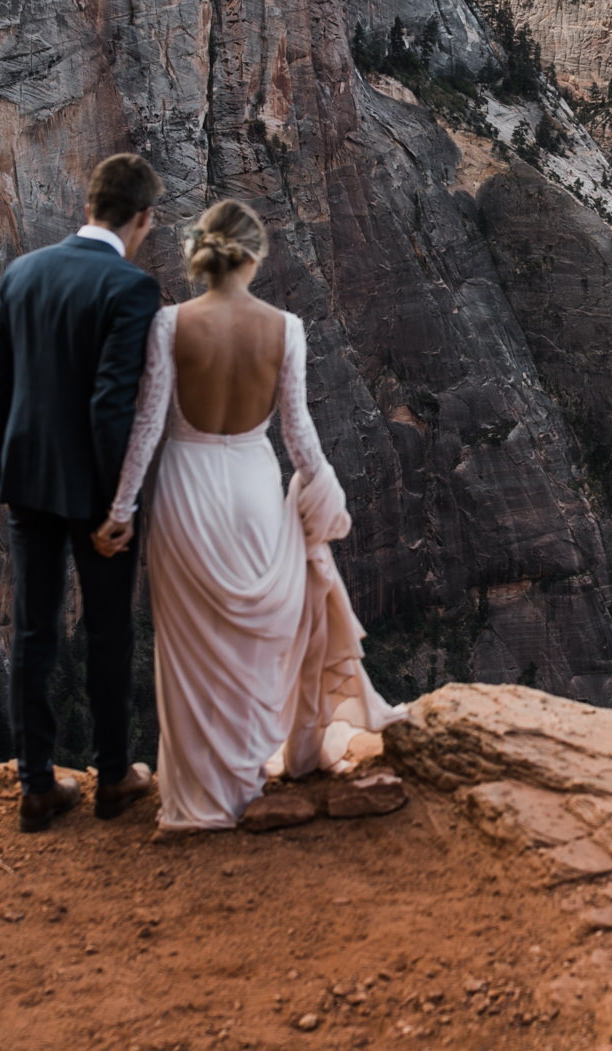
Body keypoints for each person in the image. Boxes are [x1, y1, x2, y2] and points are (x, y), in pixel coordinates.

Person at [101, 198, 405, 831]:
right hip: (253, 486)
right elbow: (299, 435)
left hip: (185, 490)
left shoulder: (169, 325)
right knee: (256, 642)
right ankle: (254, 766)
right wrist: (324, 497)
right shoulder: (286, 328)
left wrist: (121, 508)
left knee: (191, 653)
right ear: (255, 257)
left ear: (199, 258)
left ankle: (204, 797)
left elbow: (148, 424)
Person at [0, 153, 165, 833]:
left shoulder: (21, 271)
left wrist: (7, 468)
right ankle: (113, 774)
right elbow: (112, 401)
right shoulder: (131, 287)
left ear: (88, 204)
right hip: (94, 486)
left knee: (33, 629)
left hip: (28, 478)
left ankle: (36, 784)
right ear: (142, 218)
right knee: (109, 627)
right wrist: (120, 505)